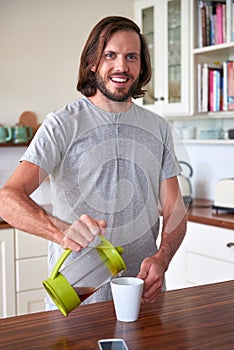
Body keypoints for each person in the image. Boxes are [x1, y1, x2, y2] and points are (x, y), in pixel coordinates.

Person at [0, 16, 187, 308]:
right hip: (78, 296)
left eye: (131, 57)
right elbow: (7, 200)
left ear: (141, 67)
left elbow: (175, 211)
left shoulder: (158, 128)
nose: (121, 66)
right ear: (92, 62)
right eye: (110, 55)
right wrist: (60, 231)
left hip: (143, 292)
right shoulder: (62, 124)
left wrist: (162, 258)